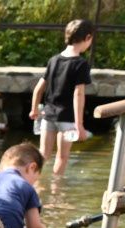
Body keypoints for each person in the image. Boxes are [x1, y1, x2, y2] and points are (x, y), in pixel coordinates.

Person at [30, 19, 94, 176]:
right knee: (62, 157)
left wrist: (34, 110)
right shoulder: (81, 64)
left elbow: (38, 88)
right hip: (67, 118)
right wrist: (79, 125)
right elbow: (78, 94)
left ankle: (34, 186)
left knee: (43, 155)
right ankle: (55, 192)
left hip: (48, 115)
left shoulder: (54, 60)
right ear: (87, 38)